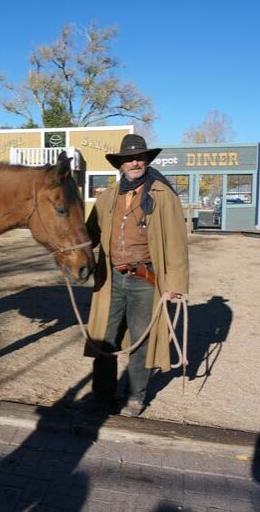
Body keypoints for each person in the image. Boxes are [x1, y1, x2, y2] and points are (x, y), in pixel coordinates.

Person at [85, 133, 189, 417]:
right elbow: (89, 235)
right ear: (120, 164)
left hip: (146, 279)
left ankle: (134, 397)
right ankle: (102, 397)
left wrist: (176, 284)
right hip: (110, 280)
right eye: (129, 159)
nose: (134, 162)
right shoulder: (106, 198)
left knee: (141, 342)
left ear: (146, 161)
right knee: (104, 340)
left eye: (139, 158)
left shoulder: (163, 195)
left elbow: (177, 242)